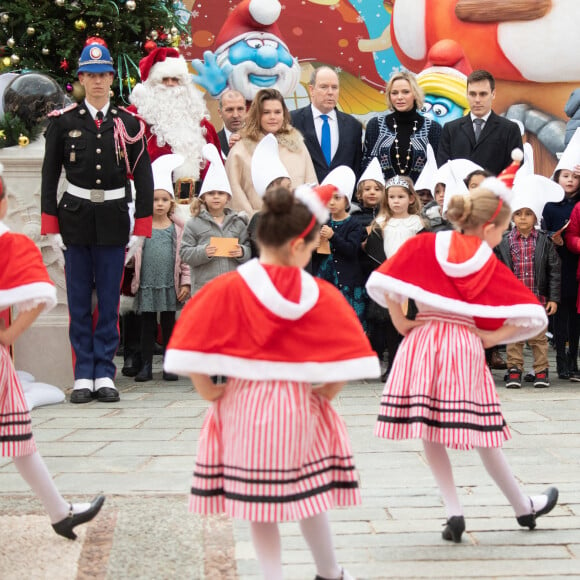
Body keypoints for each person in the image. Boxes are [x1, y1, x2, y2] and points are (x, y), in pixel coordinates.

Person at [164, 182, 380, 580]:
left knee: (257, 504)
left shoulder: (229, 287)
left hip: (243, 405)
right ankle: (330, 571)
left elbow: (192, 338)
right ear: (299, 245)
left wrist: (207, 388)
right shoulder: (319, 293)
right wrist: (326, 392)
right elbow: (347, 354)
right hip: (300, 406)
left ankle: (270, 575)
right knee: (310, 497)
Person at [366, 158, 559, 543]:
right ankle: (522, 505)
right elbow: (532, 316)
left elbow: (387, 280)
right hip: (463, 347)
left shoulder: (426, 242)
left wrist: (401, 321)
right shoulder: (484, 260)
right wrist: (491, 338)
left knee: (431, 431)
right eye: (501, 229)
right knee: (486, 433)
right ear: (489, 226)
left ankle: (453, 510)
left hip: (421, 342)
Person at [41, 42, 154, 404]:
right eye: (90, 75)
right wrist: (51, 227)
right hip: (74, 219)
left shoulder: (128, 123)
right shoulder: (65, 122)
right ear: (81, 79)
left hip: (113, 220)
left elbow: (144, 177)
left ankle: (104, 371)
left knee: (108, 301)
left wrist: (142, 228)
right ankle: (82, 375)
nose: (98, 82)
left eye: (103, 74)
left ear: (110, 78)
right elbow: (49, 177)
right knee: (77, 301)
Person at [1, 176, 105, 539]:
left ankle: (60, 511)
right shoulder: (7, 242)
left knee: (19, 437)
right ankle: (60, 512)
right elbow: (42, 293)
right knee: (18, 436)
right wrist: (9, 335)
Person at [495, 174, 563, 388]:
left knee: (538, 338)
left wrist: (553, 298)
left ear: (536, 217)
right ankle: (514, 369)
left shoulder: (544, 241)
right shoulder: (504, 242)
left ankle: (541, 370)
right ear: (512, 217)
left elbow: (554, 270)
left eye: (528, 214)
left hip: (537, 299)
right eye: (518, 214)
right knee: (514, 337)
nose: (523, 218)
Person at [129, 47, 222, 202]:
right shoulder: (135, 121)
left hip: (197, 208)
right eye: (164, 80)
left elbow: (216, 170)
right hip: (153, 207)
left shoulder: (203, 126)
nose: (171, 85)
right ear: (151, 84)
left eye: (176, 80)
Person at [130, 154, 191, 383]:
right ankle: (145, 364)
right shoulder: (141, 228)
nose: (159, 204)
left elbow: (184, 258)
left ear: (171, 203)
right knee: (147, 325)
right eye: (155, 200)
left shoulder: (177, 229)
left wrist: (185, 281)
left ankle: (169, 363)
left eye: (164, 200)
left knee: (168, 324)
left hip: (169, 283)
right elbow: (131, 254)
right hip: (147, 283)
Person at [226, 88, 317, 216]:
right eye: (266, 112)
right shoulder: (240, 149)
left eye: (277, 112)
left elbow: (311, 186)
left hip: (296, 225)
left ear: (284, 114)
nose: (273, 117)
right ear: (257, 114)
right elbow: (235, 192)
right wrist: (254, 220)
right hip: (256, 228)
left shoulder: (298, 147)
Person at [180, 143, 251, 296]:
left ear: (228, 197)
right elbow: (185, 253)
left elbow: (249, 248)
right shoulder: (193, 223)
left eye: (220, 193)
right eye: (211, 193)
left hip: (232, 287)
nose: (216, 196)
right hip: (205, 289)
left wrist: (242, 252)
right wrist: (203, 252)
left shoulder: (238, 222)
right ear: (204, 197)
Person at [543, 129, 580, 380]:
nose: (569, 181)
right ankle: (561, 361)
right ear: (556, 178)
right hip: (557, 267)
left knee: (575, 317)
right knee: (560, 316)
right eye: (564, 176)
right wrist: (552, 239)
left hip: (576, 265)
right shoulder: (549, 205)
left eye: (574, 177)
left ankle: (573, 359)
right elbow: (542, 231)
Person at [437, 69, 523, 176]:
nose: (477, 100)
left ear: (493, 94)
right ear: (467, 95)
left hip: (493, 191)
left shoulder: (510, 129)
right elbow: (442, 168)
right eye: (472, 94)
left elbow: (514, 169)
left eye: (483, 94)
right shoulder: (450, 129)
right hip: (458, 191)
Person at [361, 70, 442, 184]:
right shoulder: (375, 125)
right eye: (394, 93)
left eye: (405, 92)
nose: (399, 97)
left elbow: (438, 168)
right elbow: (366, 164)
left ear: (415, 94)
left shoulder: (433, 128)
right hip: (383, 198)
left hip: (420, 199)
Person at [291, 66, 363, 185]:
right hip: (304, 198)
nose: (330, 92)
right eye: (324, 87)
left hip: (341, 198)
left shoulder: (353, 126)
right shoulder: (292, 121)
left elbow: (356, 167)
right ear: (311, 90)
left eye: (334, 87)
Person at [316, 166, 366, 326]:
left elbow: (351, 250)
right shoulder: (322, 222)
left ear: (346, 200)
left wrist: (333, 236)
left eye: (337, 198)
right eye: (329, 198)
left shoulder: (354, 224)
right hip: (326, 279)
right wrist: (314, 245)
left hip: (348, 282)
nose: (332, 202)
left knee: (349, 322)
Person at [217, 89, 247, 157]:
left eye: (240, 109)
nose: (235, 115)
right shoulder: (212, 142)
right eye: (229, 110)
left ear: (246, 110)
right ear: (220, 112)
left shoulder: (259, 139)